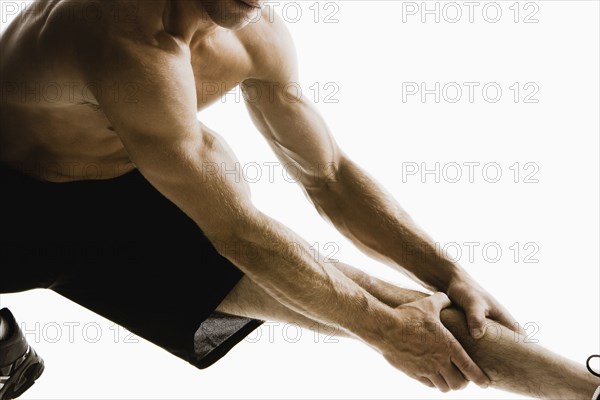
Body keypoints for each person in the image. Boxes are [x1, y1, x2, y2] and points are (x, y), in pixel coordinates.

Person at [0, 1, 598, 399]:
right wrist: (381, 332)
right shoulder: (125, 44)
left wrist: (447, 272)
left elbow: (329, 175)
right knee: (383, 321)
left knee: (414, 316)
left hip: (124, 195)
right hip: (15, 210)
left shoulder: (251, 31)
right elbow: (238, 232)